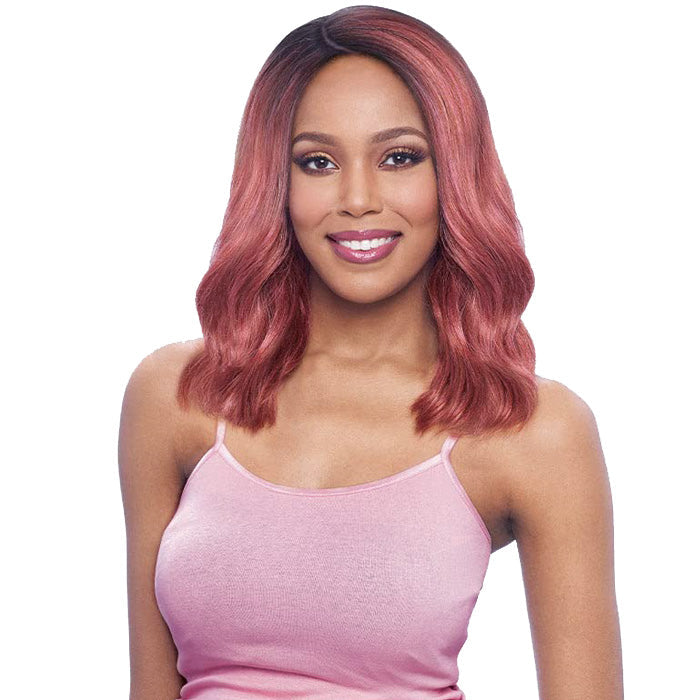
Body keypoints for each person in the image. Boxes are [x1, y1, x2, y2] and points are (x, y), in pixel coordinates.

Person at [119, 6, 623, 700]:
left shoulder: (533, 431)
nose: (357, 199)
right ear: (275, 182)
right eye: (318, 162)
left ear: (455, 175)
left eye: (399, 157)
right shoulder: (177, 395)